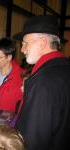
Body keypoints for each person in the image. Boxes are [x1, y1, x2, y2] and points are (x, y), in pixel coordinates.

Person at [13, 15, 70, 150]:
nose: (22, 49)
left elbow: (32, 140)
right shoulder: (64, 68)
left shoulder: (42, 81)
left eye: (25, 43)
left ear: (43, 42)